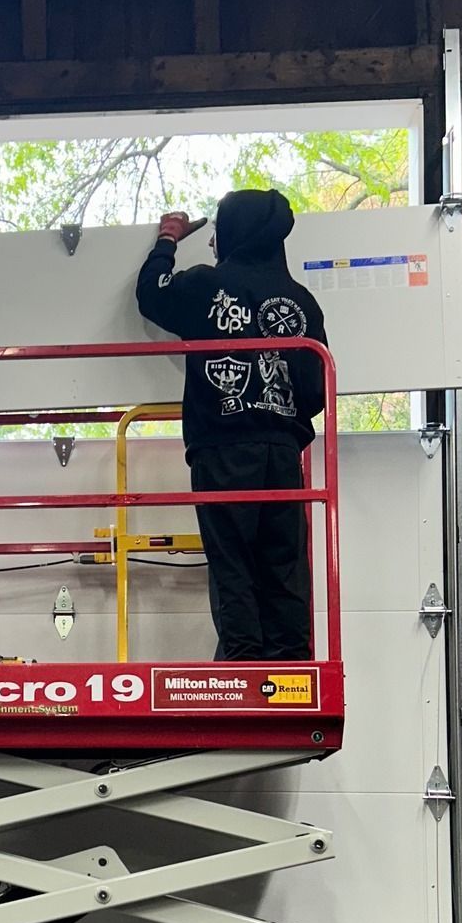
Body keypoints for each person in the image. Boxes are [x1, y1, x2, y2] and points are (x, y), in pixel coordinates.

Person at [135, 188, 328, 662]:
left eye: (219, 234)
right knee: (285, 564)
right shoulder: (301, 303)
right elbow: (316, 393)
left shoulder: (206, 287)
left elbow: (151, 293)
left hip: (222, 449)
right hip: (284, 455)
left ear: (233, 236)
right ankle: (290, 669)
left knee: (233, 562)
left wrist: (167, 239)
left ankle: (243, 665)